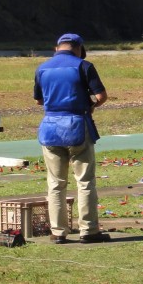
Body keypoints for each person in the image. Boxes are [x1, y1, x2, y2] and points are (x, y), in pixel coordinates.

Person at [33, 33, 109, 244]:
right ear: (79, 48)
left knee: (55, 184)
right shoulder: (84, 66)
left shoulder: (42, 68)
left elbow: (39, 100)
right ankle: (89, 230)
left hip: (50, 129)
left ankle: (58, 232)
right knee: (84, 181)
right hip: (77, 126)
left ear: (56, 47)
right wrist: (91, 106)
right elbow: (101, 96)